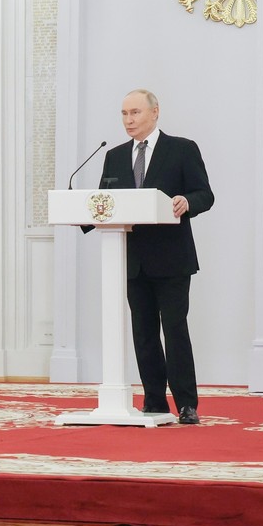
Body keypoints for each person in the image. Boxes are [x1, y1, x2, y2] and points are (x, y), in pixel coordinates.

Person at [92, 89, 214, 424]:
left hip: (172, 259)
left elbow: (205, 194)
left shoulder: (182, 149)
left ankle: (186, 404)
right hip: (132, 261)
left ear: (155, 112)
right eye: (124, 114)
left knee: (175, 331)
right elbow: (104, 201)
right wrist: (83, 212)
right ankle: (154, 401)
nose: (128, 120)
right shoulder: (114, 156)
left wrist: (187, 202)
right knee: (143, 334)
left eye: (135, 113)